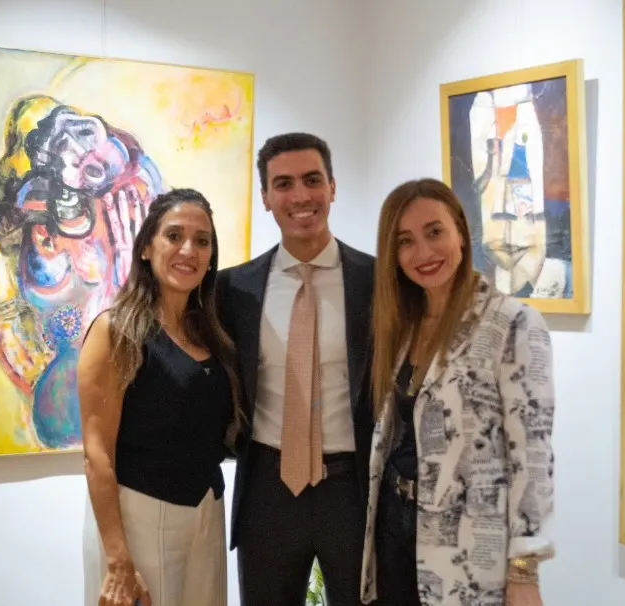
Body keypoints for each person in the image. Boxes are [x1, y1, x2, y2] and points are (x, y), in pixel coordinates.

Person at [359, 178, 555, 606]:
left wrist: (525, 570)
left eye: (435, 232)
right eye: (405, 241)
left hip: (469, 543)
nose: (423, 253)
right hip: (394, 526)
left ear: (462, 234)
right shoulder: (405, 325)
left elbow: (532, 455)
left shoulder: (513, 322)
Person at [215, 132, 377, 606]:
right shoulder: (234, 289)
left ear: (333, 187)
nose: (300, 196)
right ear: (266, 197)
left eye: (312, 180)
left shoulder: (377, 282)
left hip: (352, 490)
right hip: (268, 489)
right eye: (283, 184)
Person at [79, 188, 241, 606]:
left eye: (202, 241)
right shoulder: (115, 330)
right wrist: (118, 560)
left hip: (207, 513)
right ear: (146, 247)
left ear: (211, 257)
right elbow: (97, 455)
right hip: (139, 519)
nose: (188, 250)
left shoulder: (212, 336)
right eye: (174, 236)